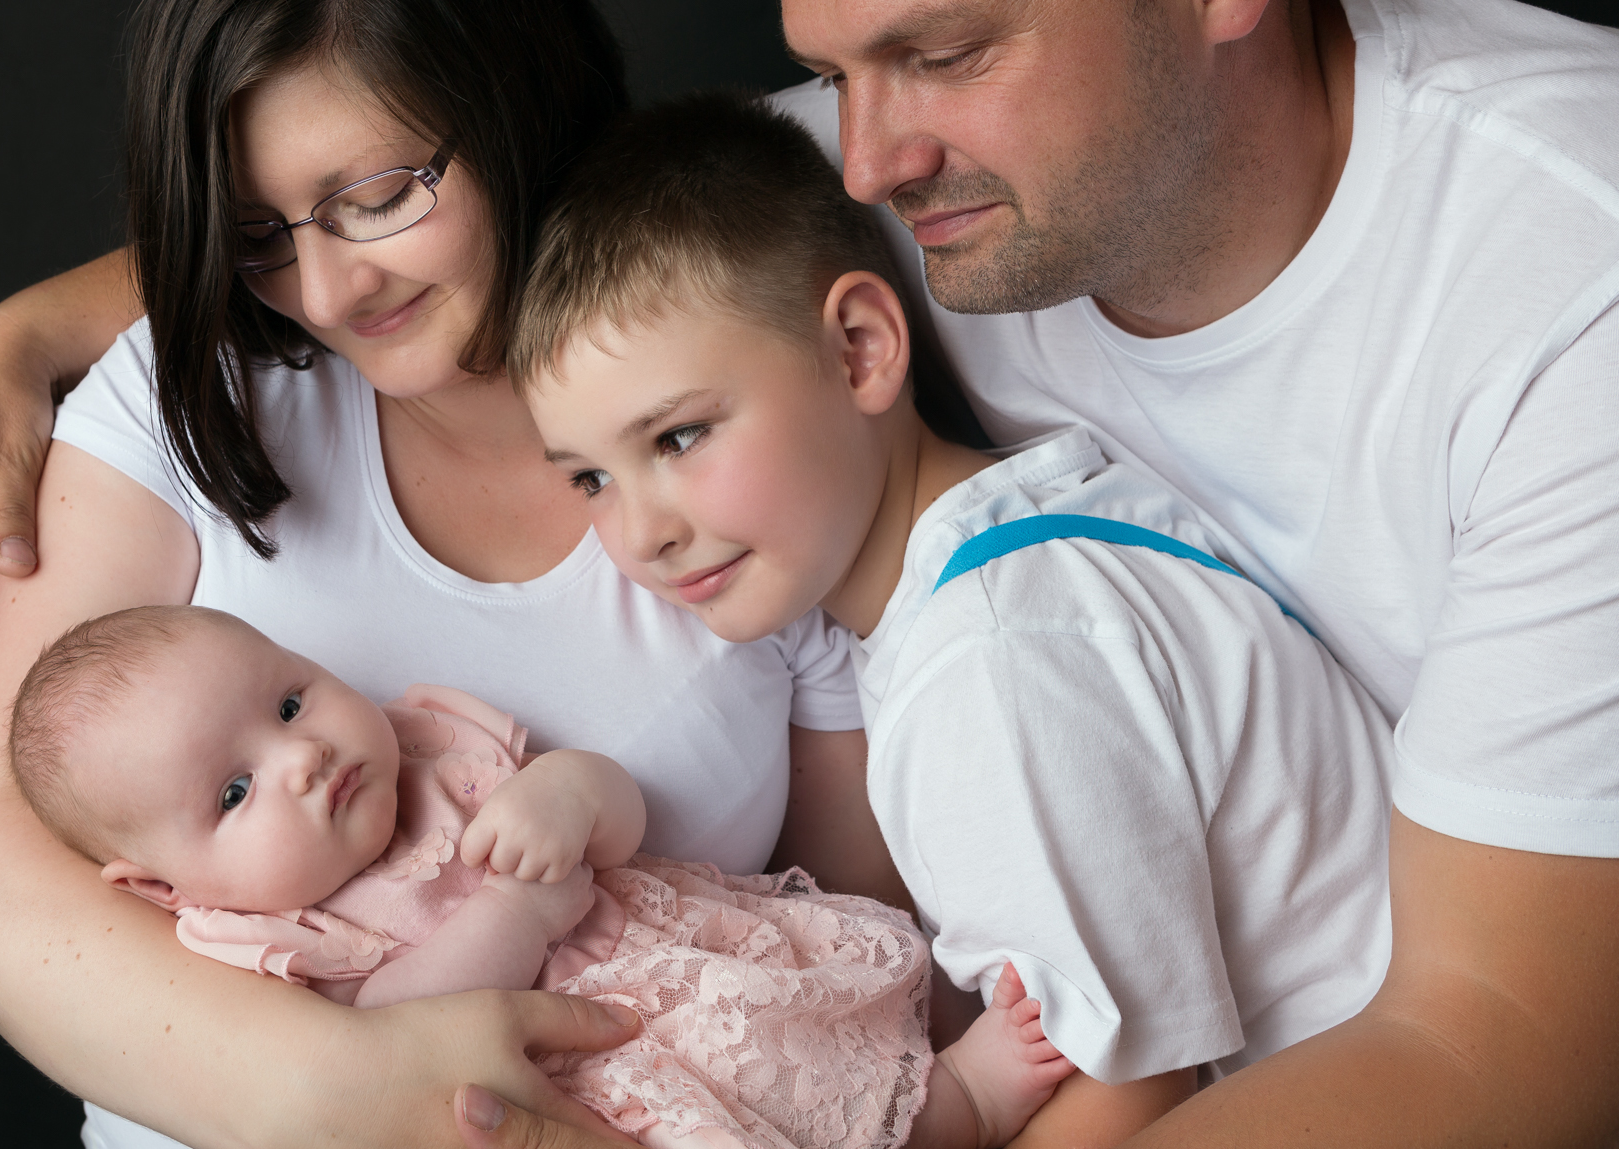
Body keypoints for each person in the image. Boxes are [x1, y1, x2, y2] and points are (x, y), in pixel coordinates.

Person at [0, 0, 921, 1149]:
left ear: (513, 91)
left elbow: (854, 967)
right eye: (259, 235)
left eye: (378, 197)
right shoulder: (191, 397)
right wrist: (347, 1091)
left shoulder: (744, 398)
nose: (326, 293)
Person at [703, 0, 1618, 1145]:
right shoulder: (879, 209)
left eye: (942, 53)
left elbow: (1488, 1044)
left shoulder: (1570, 277)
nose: (868, 163)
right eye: (835, 77)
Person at [511, 91, 1397, 1144]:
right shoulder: (1032, 522)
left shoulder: (989, 666)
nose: (640, 534)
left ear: (859, 349)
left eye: (678, 437)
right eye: (590, 479)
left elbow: (1126, 1091)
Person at [8, 604, 1074, 1149]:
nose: (301, 756)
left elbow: (616, 823)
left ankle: (962, 1104)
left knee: (839, 1063)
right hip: (587, 1080)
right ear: (164, 889)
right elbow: (390, 1023)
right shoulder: (270, 935)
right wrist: (515, 912)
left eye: (289, 701)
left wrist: (570, 794)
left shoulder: (431, 744)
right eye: (235, 791)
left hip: (689, 971)